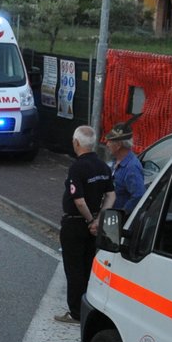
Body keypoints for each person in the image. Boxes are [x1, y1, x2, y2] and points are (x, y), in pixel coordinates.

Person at [56, 125, 115, 324]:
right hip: (94, 226)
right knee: (88, 267)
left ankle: (75, 312)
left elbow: (78, 200)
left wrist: (90, 220)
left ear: (77, 143)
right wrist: (99, 220)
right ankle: (89, 307)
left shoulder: (77, 167)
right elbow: (111, 195)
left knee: (74, 270)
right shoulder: (103, 167)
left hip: (75, 225)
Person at [105, 123, 147, 218]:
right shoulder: (115, 160)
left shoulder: (132, 168)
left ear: (119, 145)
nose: (107, 144)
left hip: (117, 222)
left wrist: (121, 214)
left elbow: (138, 195)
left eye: (110, 141)